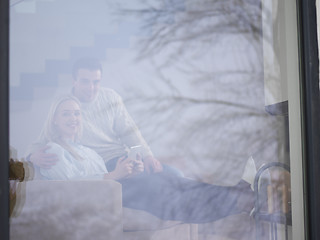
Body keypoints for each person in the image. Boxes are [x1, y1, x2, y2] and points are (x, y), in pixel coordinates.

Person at [36, 95, 254, 223]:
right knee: (162, 190)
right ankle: (240, 200)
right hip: (100, 198)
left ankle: (240, 194)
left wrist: (129, 170)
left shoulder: (86, 150)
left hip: (114, 186)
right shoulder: (53, 151)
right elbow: (69, 188)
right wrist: (113, 175)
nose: (73, 118)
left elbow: (106, 170)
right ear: (54, 120)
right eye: (66, 114)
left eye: (76, 113)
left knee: (172, 180)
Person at [28, 58, 171, 175]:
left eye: (95, 82)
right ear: (74, 81)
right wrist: (32, 157)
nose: (91, 88)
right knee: (162, 185)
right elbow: (42, 140)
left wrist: (147, 156)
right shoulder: (65, 107)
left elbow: (129, 132)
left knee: (174, 174)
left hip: (122, 157)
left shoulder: (110, 97)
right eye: (85, 81)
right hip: (102, 167)